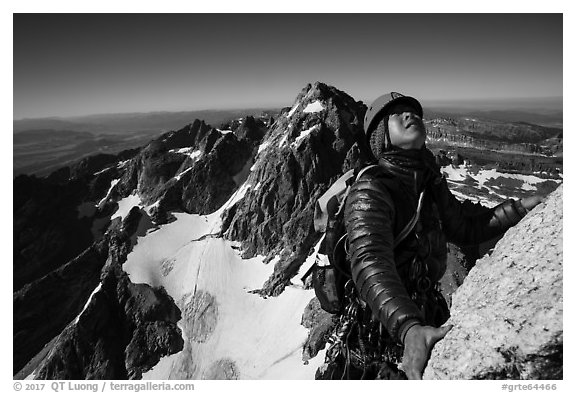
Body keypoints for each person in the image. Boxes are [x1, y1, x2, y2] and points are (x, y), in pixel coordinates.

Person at [319, 92, 543, 380]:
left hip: (422, 314)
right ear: (380, 136)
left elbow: (464, 227)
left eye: (412, 112)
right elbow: (370, 260)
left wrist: (518, 209)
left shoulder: (428, 182)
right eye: (397, 114)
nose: (410, 115)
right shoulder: (371, 189)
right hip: (381, 335)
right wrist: (409, 329)